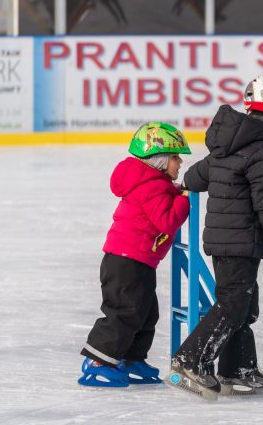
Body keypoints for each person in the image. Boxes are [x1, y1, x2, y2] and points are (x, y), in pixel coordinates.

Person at [168, 74, 263, 401]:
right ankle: (191, 359)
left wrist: (185, 186)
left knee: (244, 304)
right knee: (233, 304)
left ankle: (237, 368)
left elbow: (195, 175)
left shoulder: (228, 145)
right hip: (240, 241)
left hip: (225, 240)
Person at [78, 122, 192, 387]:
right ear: (160, 160)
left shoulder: (153, 183)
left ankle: (131, 358)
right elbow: (166, 220)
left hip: (136, 259)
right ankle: (99, 363)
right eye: (175, 157)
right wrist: (184, 197)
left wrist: (175, 192)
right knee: (124, 313)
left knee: (145, 312)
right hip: (126, 261)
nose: (180, 162)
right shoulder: (152, 186)